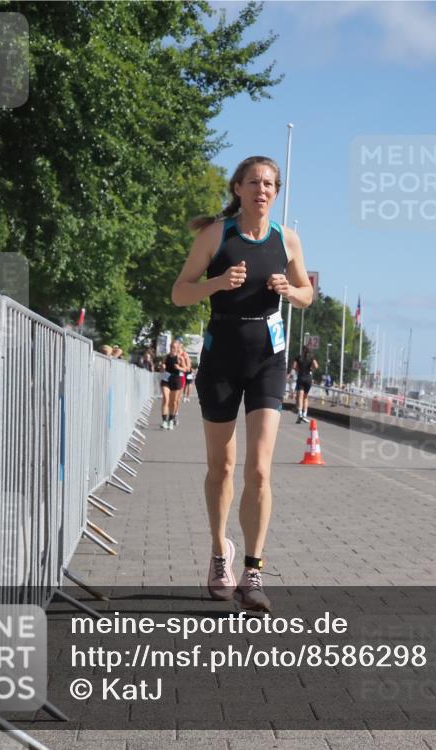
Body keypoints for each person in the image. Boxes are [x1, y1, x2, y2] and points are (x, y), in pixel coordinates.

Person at [171, 155, 313, 613]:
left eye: (270, 184)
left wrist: (290, 291)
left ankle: (253, 571)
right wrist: (216, 283)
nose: (262, 190)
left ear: (277, 192)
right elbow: (179, 292)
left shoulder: (287, 239)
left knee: (260, 470)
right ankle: (220, 553)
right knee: (222, 467)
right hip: (222, 359)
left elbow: (308, 294)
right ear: (238, 188)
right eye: (254, 182)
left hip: (268, 359)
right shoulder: (217, 235)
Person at [159, 340, 187, 429]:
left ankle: (171, 419)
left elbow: (186, 369)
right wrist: (162, 367)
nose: (172, 349)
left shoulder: (180, 358)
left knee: (174, 402)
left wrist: (179, 367)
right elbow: (161, 369)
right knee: (166, 399)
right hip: (166, 379)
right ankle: (164, 421)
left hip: (176, 380)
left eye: (174, 347)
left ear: (177, 348)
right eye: (171, 347)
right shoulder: (166, 357)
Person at [292, 347, 318, 423]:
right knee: (305, 397)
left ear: (302, 351)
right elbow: (316, 366)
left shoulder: (298, 357)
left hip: (301, 377)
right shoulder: (311, 358)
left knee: (300, 397)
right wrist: (311, 369)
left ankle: (300, 414)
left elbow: (294, 366)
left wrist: (298, 370)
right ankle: (304, 415)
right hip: (308, 378)